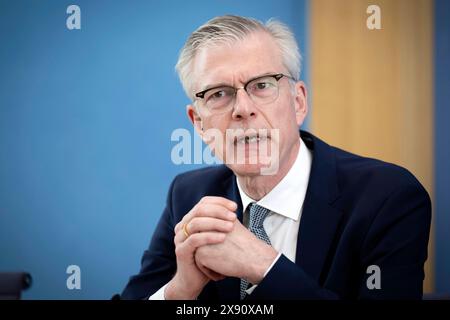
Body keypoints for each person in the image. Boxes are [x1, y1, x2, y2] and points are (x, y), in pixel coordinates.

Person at [121, 15, 431, 300]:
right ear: (199, 123)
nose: (242, 108)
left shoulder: (388, 197)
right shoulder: (188, 194)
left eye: (262, 85)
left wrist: (266, 266)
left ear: (298, 102)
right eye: (219, 93)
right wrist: (180, 290)